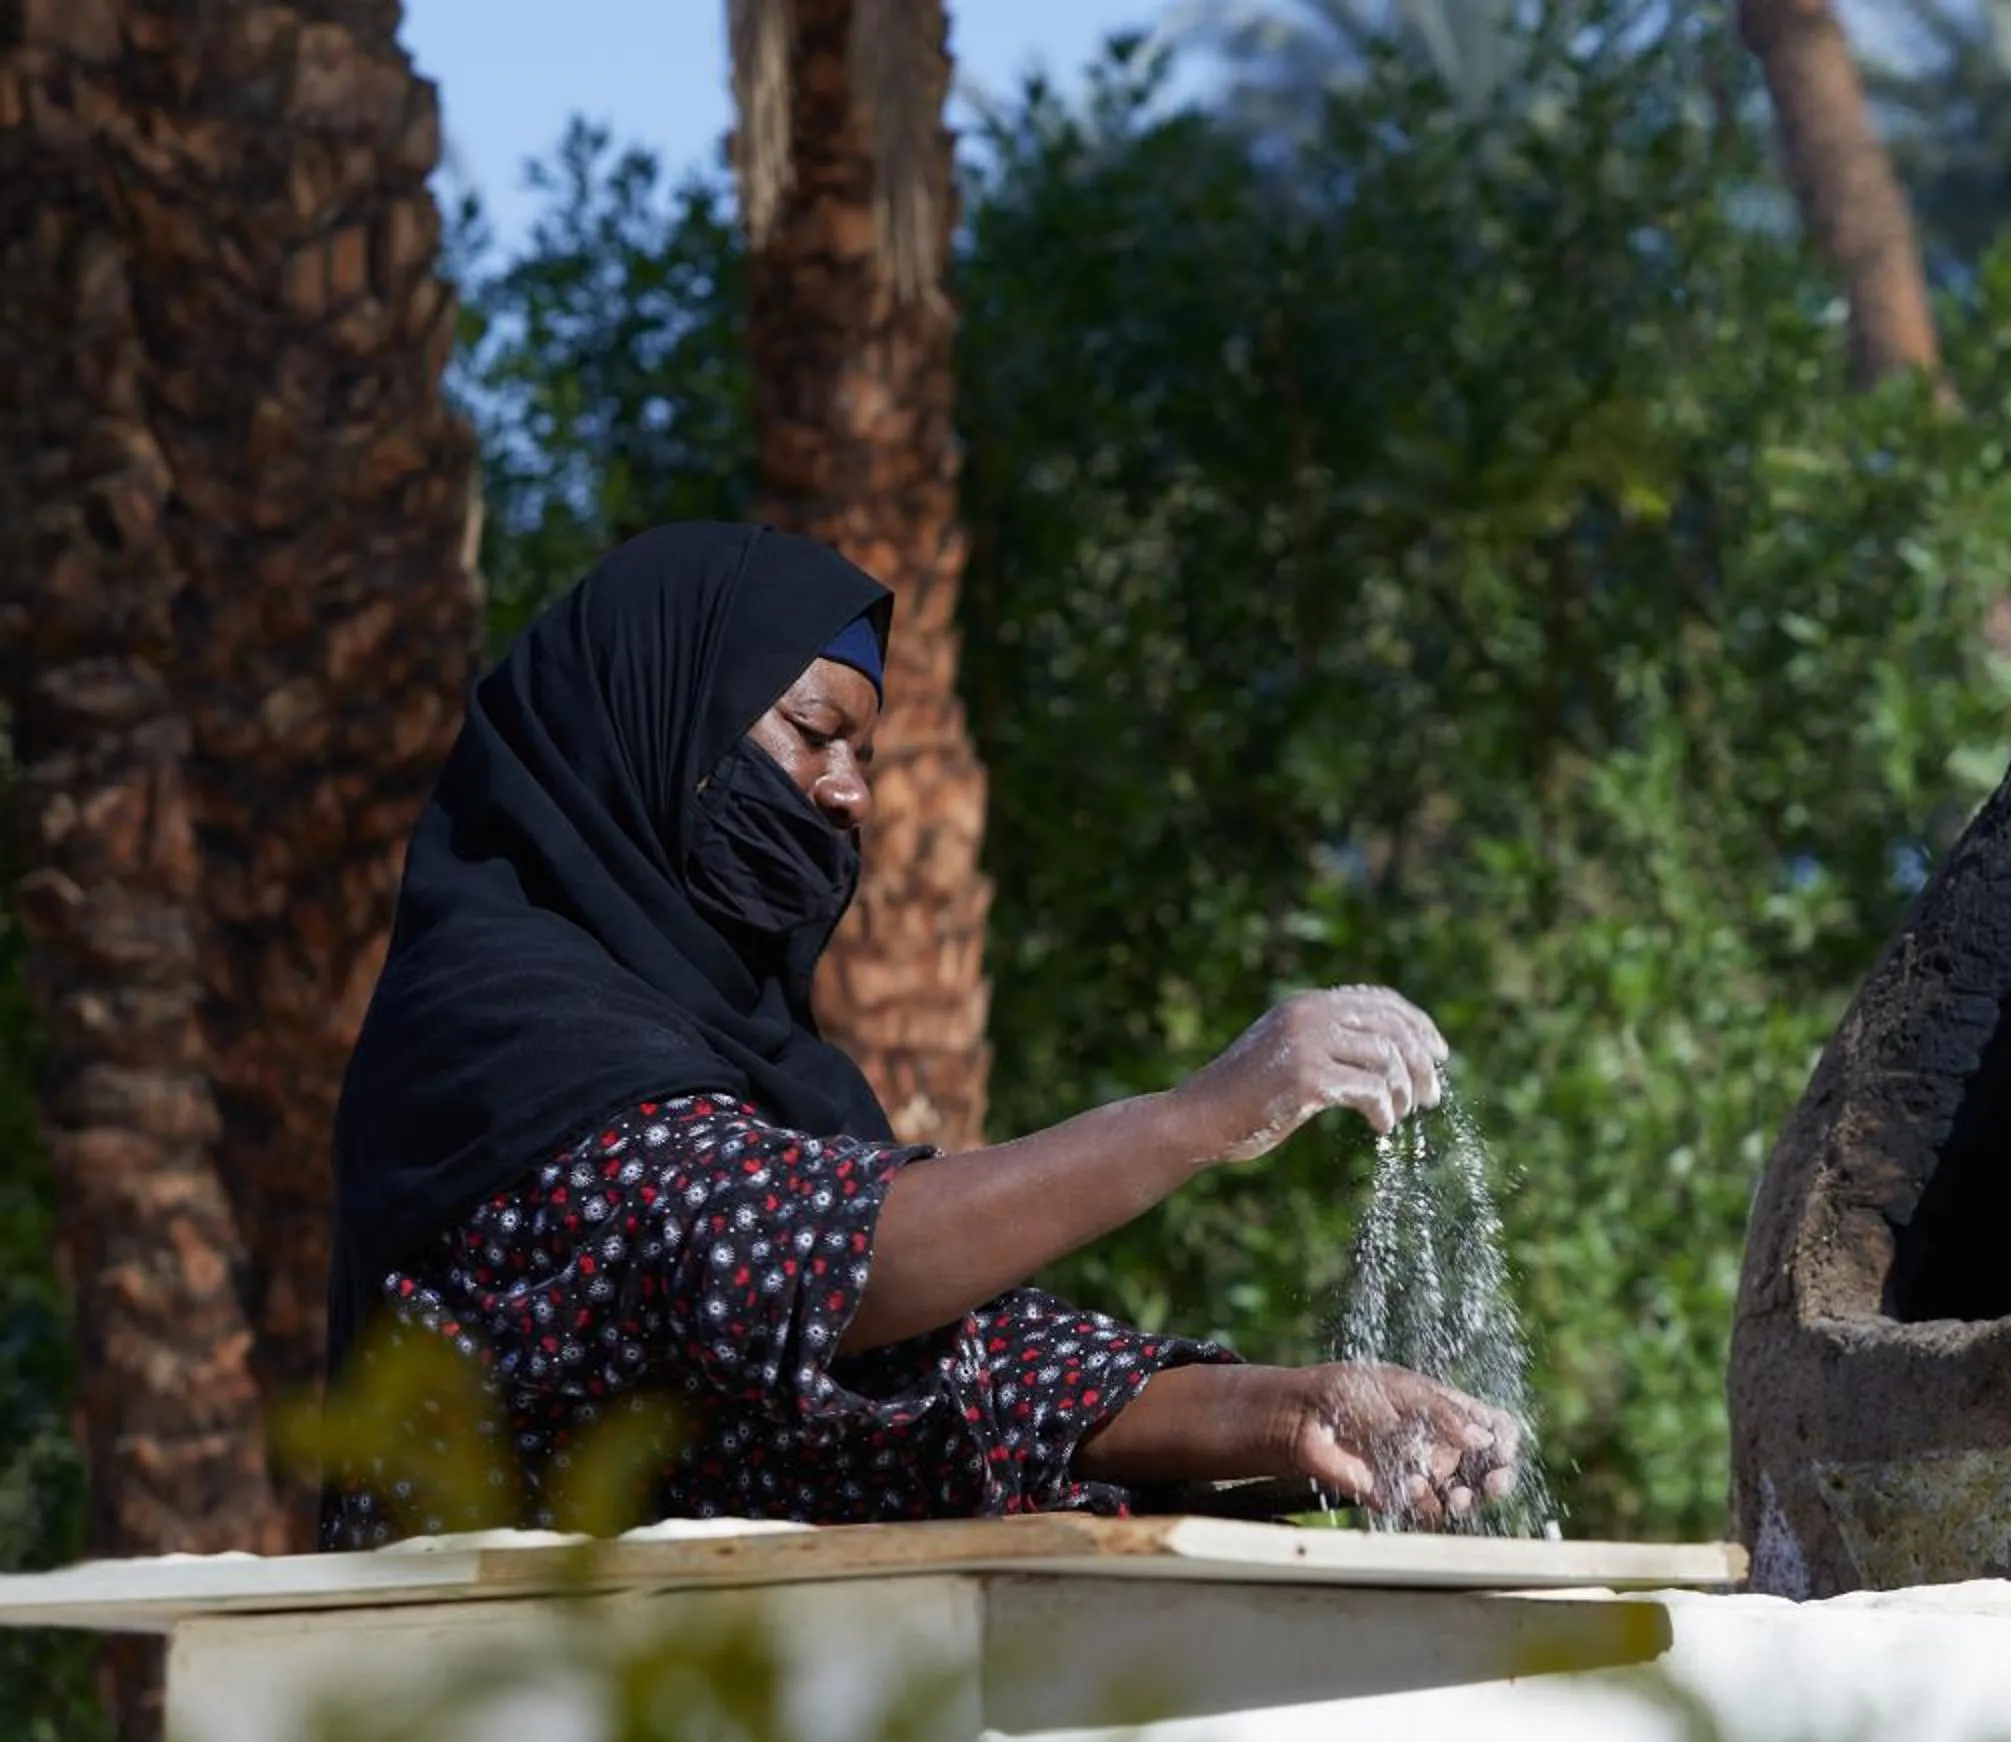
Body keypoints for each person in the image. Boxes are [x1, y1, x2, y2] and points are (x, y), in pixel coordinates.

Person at [319, 522, 1516, 1550]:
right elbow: (783, 1261)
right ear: (655, 723)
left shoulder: (760, 1070)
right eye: (812, 730)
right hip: (473, 1734)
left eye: (868, 755)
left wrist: (1288, 1414)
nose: (849, 794)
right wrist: (1199, 1118)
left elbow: (972, 1364)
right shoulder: (496, 1034)